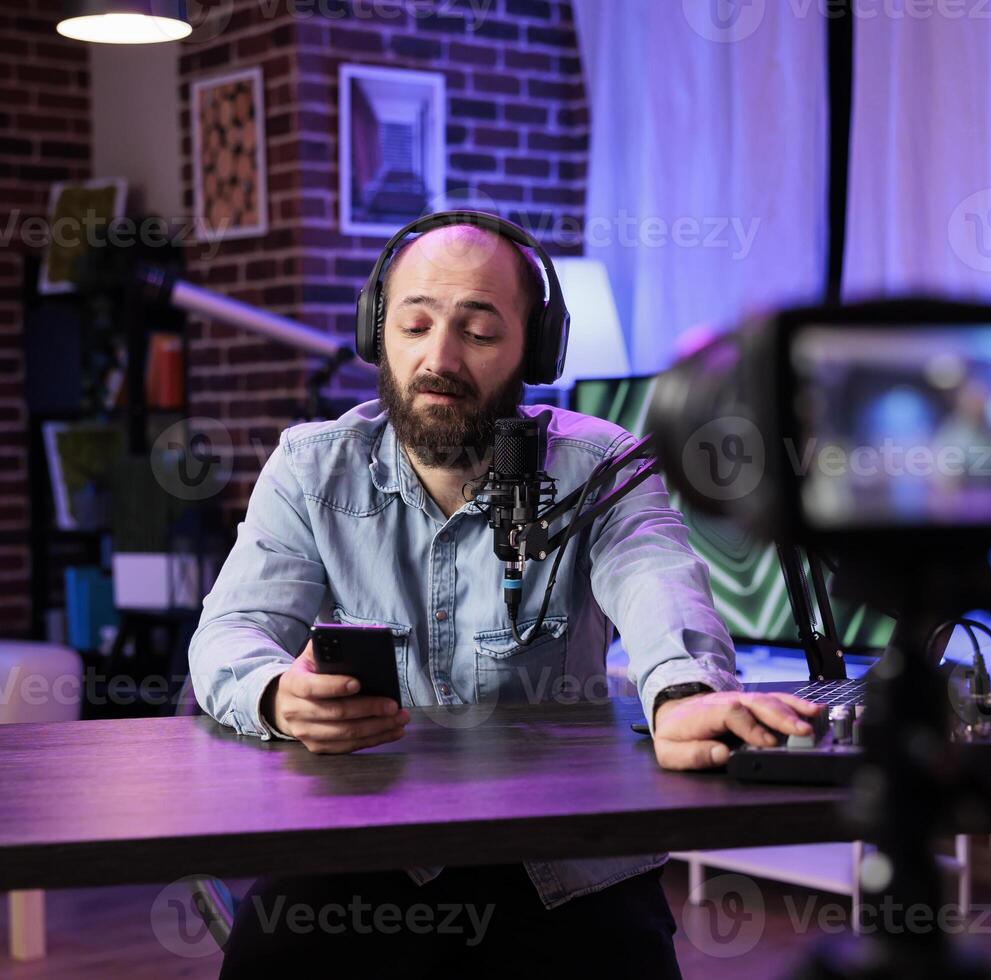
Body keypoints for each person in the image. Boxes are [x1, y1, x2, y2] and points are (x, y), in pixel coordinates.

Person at [189, 213, 818, 976]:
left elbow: (658, 581)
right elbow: (231, 633)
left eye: (479, 334)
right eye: (414, 325)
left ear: (535, 349)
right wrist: (273, 696)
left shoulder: (602, 464)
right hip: (360, 843)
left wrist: (684, 691)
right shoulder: (311, 468)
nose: (438, 358)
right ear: (375, 331)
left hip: (564, 864)